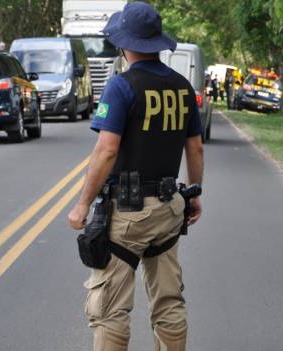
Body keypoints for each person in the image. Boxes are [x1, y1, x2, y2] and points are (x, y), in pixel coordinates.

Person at [67, 2, 204, 350]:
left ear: (125, 44)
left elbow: (106, 150)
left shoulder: (121, 87)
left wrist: (82, 204)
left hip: (127, 215)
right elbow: (196, 148)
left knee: (110, 308)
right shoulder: (182, 86)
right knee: (169, 302)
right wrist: (193, 194)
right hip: (169, 207)